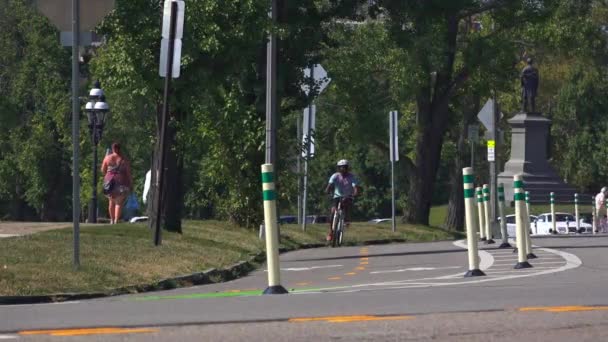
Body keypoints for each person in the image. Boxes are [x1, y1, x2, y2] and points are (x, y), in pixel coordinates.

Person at [324, 159, 360, 241]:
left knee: (348, 205)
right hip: (337, 196)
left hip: (347, 196)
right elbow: (330, 185)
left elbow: (355, 187)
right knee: (333, 212)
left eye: (345, 167)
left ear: (347, 168)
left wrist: (355, 193)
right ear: (338, 168)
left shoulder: (351, 177)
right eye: (341, 167)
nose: (343, 169)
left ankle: (347, 219)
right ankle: (331, 232)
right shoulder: (335, 176)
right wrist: (327, 190)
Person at [101, 142, 133, 224]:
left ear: (112, 149)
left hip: (109, 182)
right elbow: (128, 173)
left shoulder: (107, 158)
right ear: (119, 149)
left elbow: (103, 170)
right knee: (119, 202)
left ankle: (111, 220)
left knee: (111, 201)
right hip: (121, 182)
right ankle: (116, 221)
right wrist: (131, 183)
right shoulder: (124, 159)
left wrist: (109, 174)